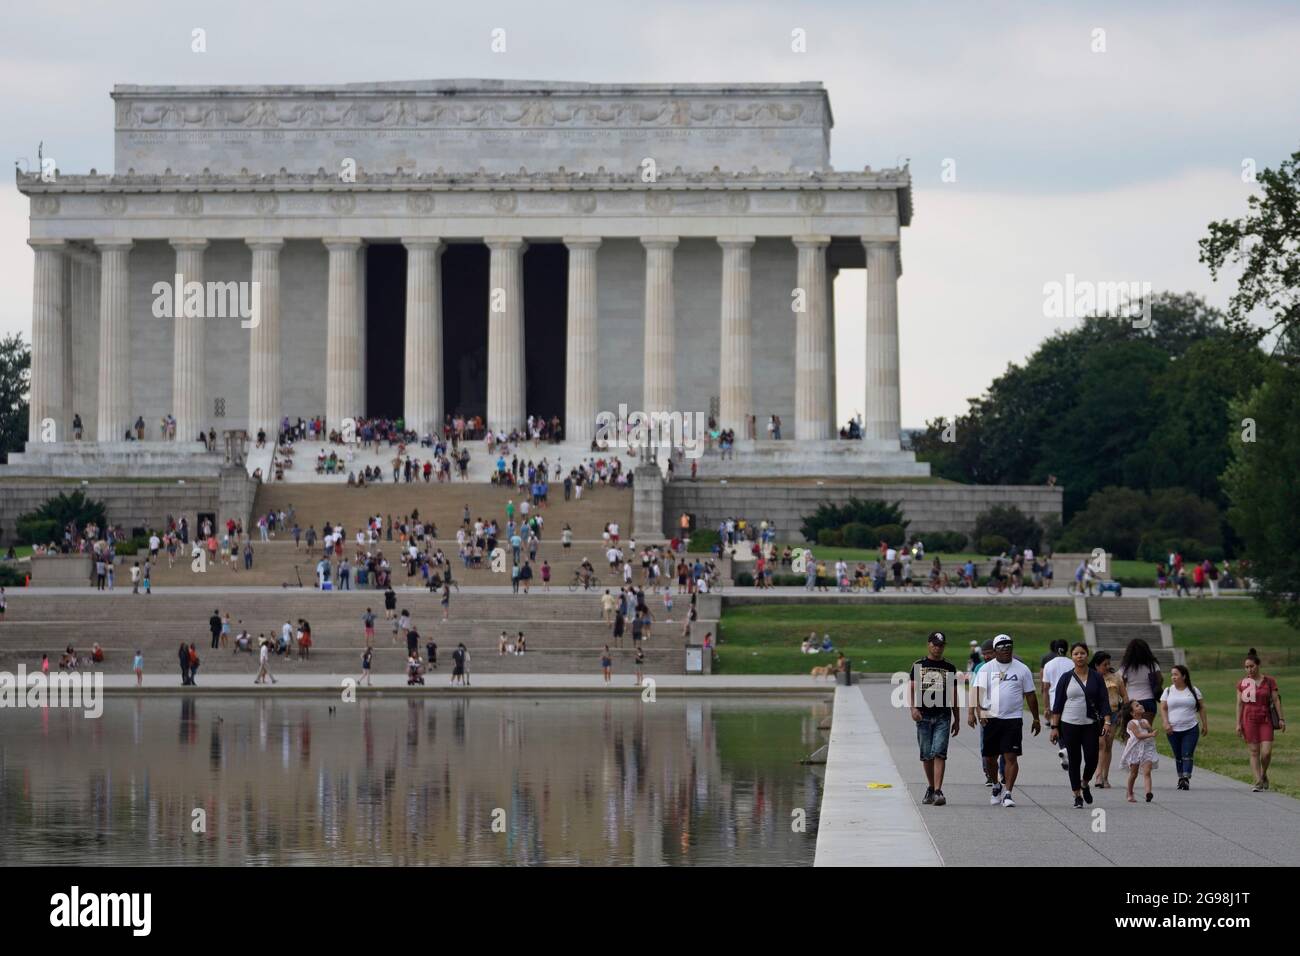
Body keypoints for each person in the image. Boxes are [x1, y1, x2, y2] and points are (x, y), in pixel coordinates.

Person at [969, 633, 1040, 808]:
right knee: (990, 758)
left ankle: (1008, 793)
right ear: (995, 651)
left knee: (1011, 756)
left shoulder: (1022, 669)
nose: (1006, 650)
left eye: (1009, 646)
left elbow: (1030, 695)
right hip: (991, 717)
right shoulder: (986, 669)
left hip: (1013, 718)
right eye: (1002, 647)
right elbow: (976, 692)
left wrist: (1036, 718)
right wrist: (976, 712)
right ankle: (995, 785)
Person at [1048, 642, 1112, 808]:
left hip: (1090, 723)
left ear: (1087, 655)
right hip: (1069, 724)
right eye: (1076, 654)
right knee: (1074, 760)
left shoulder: (1096, 677)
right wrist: (1054, 727)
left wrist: (1107, 721)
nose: (1079, 656)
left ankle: (1084, 783)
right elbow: (1058, 704)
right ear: (1072, 656)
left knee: (1092, 757)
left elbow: (1104, 700)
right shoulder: (1066, 677)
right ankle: (1076, 794)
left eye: (1082, 653)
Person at [908, 631, 960, 807]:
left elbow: (954, 694)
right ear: (928, 644)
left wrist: (957, 718)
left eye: (941, 645)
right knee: (926, 755)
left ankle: (938, 790)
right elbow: (911, 689)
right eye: (935, 644)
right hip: (923, 715)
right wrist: (913, 708)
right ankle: (930, 787)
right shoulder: (919, 665)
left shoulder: (949, 667)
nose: (938, 648)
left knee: (939, 753)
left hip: (943, 715)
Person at [1237, 649, 1285, 791]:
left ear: (1258, 665)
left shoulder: (1269, 681)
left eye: (1251, 666)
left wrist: (1281, 718)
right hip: (1249, 718)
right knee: (1254, 752)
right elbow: (1239, 704)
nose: (1249, 669)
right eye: (1246, 667)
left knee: (1266, 752)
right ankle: (1257, 781)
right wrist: (1238, 723)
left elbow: (1276, 700)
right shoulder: (1242, 683)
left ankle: (1264, 774)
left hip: (1265, 719)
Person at [1160, 664, 1208, 790]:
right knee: (1178, 755)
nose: (1173, 677)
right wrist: (1165, 722)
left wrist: (1205, 724)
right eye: (1172, 675)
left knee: (1187, 753)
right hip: (1173, 729)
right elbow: (1163, 708)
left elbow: (1202, 708)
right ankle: (1181, 777)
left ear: (1184, 676)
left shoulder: (1193, 690)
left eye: (1176, 674)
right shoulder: (1168, 691)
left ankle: (1186, 778)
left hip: (1190, 728)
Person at [1091, 650, 1127, 788]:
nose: (1107, 667)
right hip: (1096, 714)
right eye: (1104, 664)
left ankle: (1105, 777)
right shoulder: (1091, 677)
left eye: (1108, 664)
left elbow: (1124, 696)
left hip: (1113, 713)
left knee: (1108, 745)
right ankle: (1098, 776)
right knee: (1101, 744)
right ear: (1096, 665)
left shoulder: (1116, 677)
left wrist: (1124, 712)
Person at [1040, 639, 1073, 771]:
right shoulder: (1072, 663)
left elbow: (1045, 688)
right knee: (1070, 728)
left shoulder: (1049, 665)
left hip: (1055, 701)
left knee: (1057, 727)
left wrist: (1046, 707)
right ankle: (1067, 750)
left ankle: (1064, 748)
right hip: (1071, 701)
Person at [1119, 700, 1158, 803]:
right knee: (1134, 773)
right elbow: (1138, 736)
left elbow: (1150, 730)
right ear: (1132, 713)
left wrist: (1149, 728)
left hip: (1146, 749)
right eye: (1137, 705)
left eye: (1140, 704)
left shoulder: (1145, 721)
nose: (1140, 705)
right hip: (1135, 750)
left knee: (1147, 771)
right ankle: (1130, 792)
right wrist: (1151, 734)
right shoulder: (1131, 723)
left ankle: (1148, 793)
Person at [1119, 638, 1163, 728]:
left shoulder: (1126, 666)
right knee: (1147, 730)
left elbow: (1121, 684)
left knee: (1131, 732)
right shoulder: (1152, 665)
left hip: (1131, 702)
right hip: (1149, 700)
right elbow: (1160, 680)